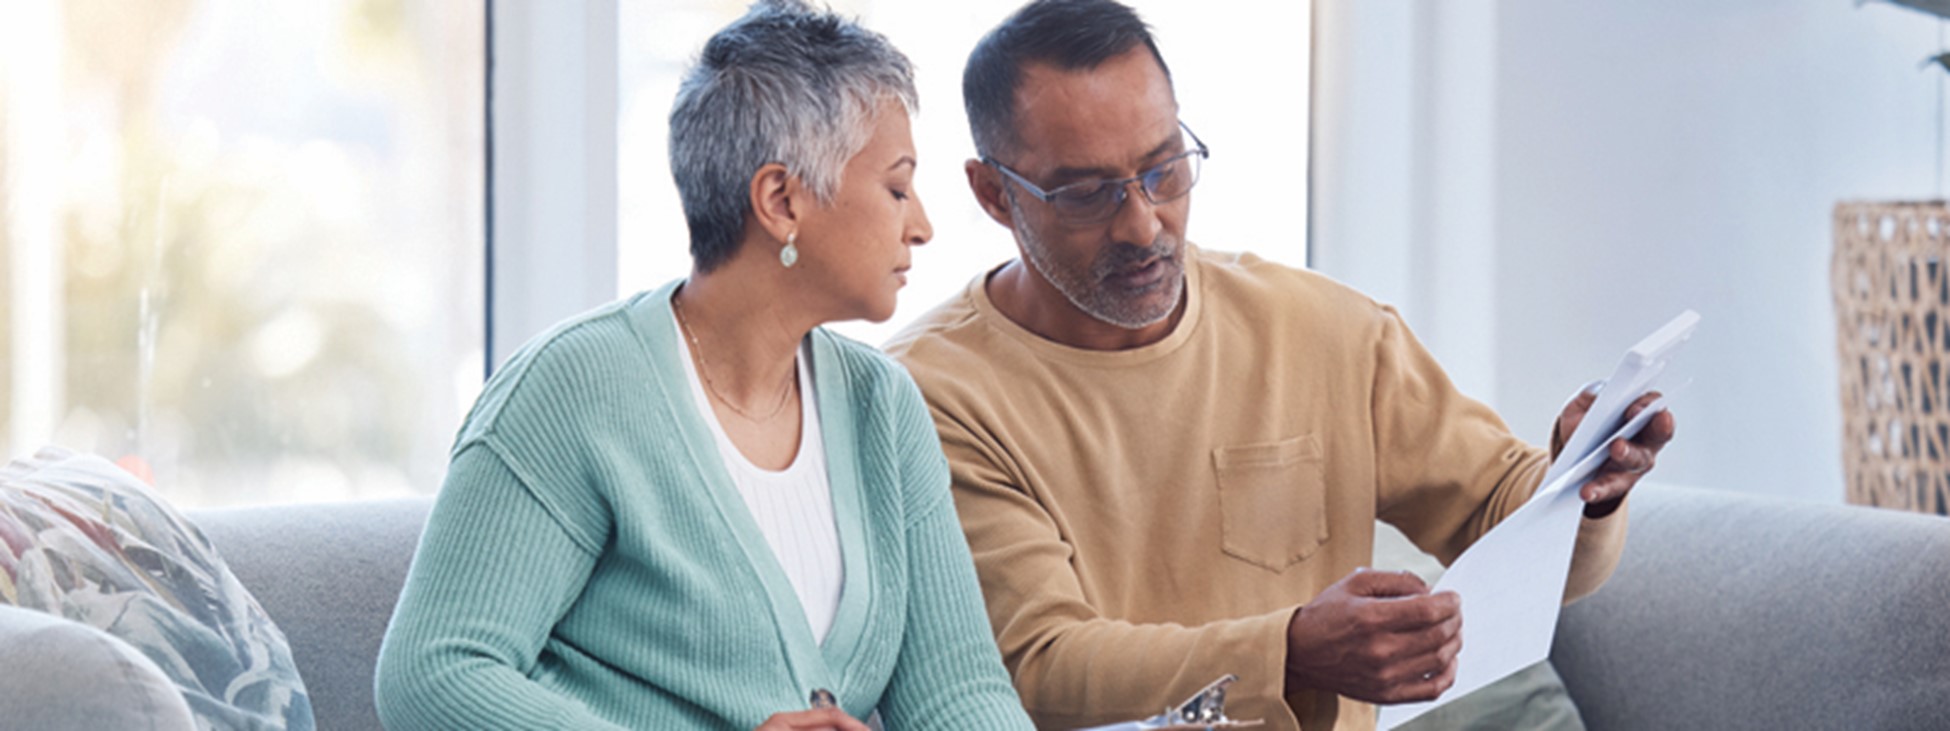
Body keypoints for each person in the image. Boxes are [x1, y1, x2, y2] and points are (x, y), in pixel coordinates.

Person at [881, 1, 1676, 729]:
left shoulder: (1326, 331)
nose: (1143, 221)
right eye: (1087, 193)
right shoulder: (930, 394)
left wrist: (1585, 484)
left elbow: (1506, 517)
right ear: (993, 195)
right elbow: (1040, 664)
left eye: (1164, 167)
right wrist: (1289, 650)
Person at [374, 2, 1034, 729]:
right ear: (781, 200)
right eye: (897, 187)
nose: (922, 225)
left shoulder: (885, 406)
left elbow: (959, 692)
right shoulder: (575, 390)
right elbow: (434, 673)